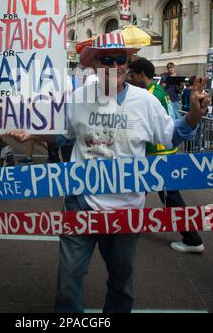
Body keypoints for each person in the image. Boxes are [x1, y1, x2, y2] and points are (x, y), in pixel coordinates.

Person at [11, 31, 209, 313]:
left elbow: (172, 136)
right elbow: (65, 136)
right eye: (107, 60)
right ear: (94, 64)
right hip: (79, 203)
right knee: (68, 281)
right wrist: (31, 135)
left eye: (120, 59)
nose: (114, 66)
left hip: (126, 211)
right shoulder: (79, 98)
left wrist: (194, 115)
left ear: (127, 64)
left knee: (121, 284)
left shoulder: (145, 101)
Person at [128, 58, 204, 254]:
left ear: (140, 75)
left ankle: (192, 238)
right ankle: (125, 224)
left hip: (158, 155)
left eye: (132, 75)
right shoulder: (157, 90)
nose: (129, 78)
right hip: (160, 153)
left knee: (170, 199)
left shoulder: (151, 94)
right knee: (136, 190)